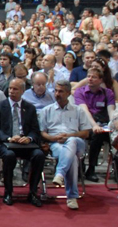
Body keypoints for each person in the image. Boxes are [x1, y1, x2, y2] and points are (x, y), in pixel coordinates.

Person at [0, 78, 45, 207]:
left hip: (25, 144)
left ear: (23, 91)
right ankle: (8, 192)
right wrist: (9, 138)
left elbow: (35, 130)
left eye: (15, 89)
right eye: (10, 88)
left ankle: (33, 192)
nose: (11, 91)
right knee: (9, 156)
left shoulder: (30, 108)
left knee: (39, 155)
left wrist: (29, 138)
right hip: (5, 143)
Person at [38, 80, 92, 210]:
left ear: (68, 93)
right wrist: (53, 138)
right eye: (56, 91)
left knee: (72, 141)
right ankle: (72, 197)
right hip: (56, 143)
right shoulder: (46, 110)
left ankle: (60, 173)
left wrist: (68, 136)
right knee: (72, 159)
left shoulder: (78, 110)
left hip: (77, 143)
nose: (57, 94)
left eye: (61, 91)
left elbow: (86, 133)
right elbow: (42, 132)